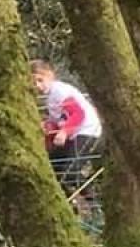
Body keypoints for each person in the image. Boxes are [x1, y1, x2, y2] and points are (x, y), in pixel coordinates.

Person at [31, 60, 102, 206]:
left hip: (87, 130)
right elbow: (60, 119)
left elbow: (78, 113)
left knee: (70, 172)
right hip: (74, 133)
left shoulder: (59, 90)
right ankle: (70, 204)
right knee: (50, 167)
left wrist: (64, 132)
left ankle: (96, 202)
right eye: (33, 83)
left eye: (40, 80)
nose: (38, 86)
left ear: (50, 75)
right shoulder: (50, 97)